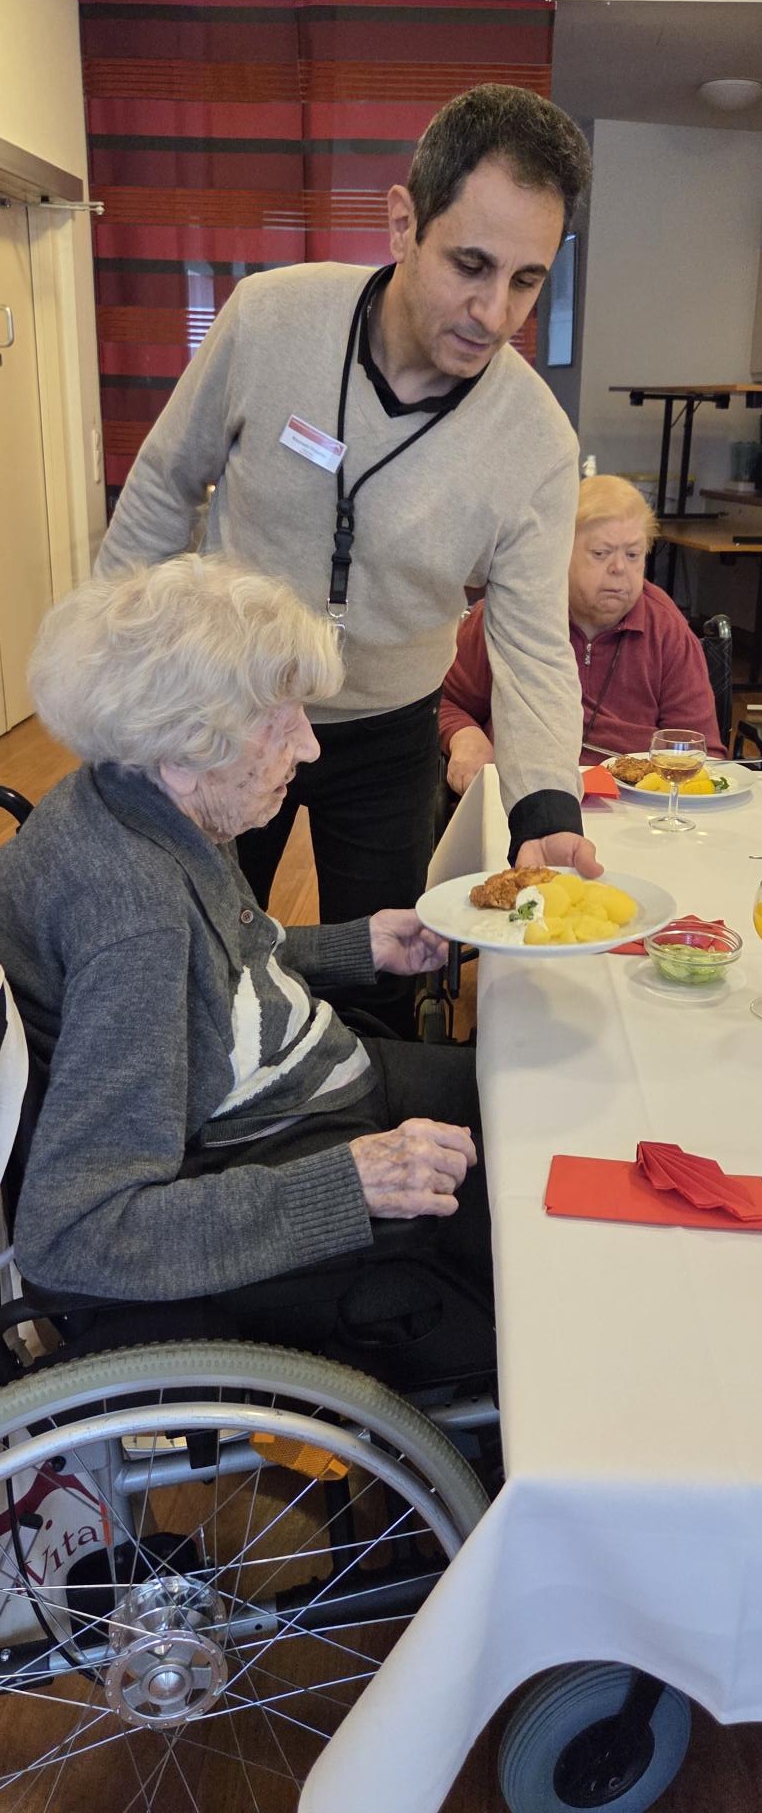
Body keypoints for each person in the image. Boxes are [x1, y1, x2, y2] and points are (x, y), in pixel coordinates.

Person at [95, 86, 600, 1030]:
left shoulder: (535, 440)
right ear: (404, 222)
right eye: (470, 265)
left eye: (527, 281)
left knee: (382, 978)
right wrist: (113, 685)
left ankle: (361, 1117)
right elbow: (165, 484)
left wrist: (546, 811)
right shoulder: (269, 319)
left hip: (389, 731)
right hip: (227, 712)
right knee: (193, 965)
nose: (494, 313)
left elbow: (533, 645)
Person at [0, 558, 492, 1385]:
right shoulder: (136, 923)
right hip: (281, 1160)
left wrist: (360, 945)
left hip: (310, 1085)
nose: (310, 743)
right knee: (542, 1254)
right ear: (186, 745)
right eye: (280, 718)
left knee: (533, 1101)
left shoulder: (139, 798)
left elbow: (220, 968)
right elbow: (75, 1231)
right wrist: (349, 1184)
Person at [440, 474, 725, 793]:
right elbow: (443, 700)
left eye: (632, 555)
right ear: (561, 552)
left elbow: (699, 752)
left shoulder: (666, 628)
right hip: (522, 793)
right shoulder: (514, 612)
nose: (619, 568)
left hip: (636, 802)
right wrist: (463, 735)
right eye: (601, 553)